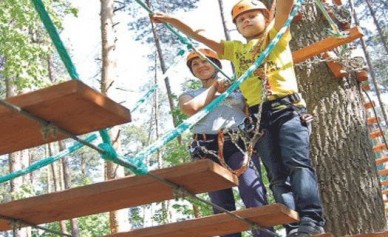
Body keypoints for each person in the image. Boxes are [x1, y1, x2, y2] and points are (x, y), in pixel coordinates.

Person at [151, 1, 325, 236]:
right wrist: (172, 21)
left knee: (297, 165)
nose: (246, 20)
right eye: (241, 19)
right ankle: (293, 226)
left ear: (266, 18)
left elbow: (284, 7)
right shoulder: (235, 51)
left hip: (286, 109)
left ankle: (311, 221)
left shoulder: (276, 36)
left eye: (252, 16)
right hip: (258, 119)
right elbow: (199, 36)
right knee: (275, 175)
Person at [181, 48, 271, 237]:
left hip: (237, 142)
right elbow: (190, 108)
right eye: (195, 64)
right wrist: (214, 89)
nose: (200, 66)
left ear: (216, 64)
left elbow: (254, 104)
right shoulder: (190, 94)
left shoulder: (238, 87)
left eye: (205, 61)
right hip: (206, 148)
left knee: (252, 191)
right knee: (221, 204)